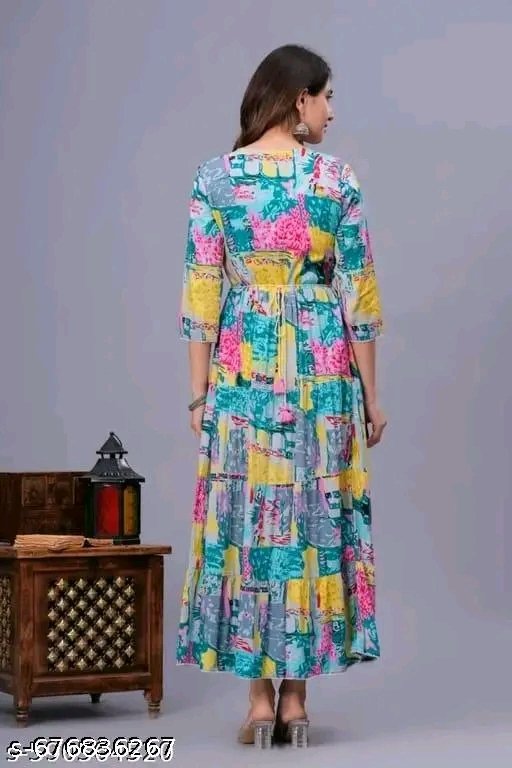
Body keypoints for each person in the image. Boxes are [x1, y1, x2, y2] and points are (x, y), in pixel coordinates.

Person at [175, 43, 387, 749]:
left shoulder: (215, 178)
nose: (331, 112)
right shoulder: (334, 178)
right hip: (321, 364)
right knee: (309, 517)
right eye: (326, 98)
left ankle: (259, 702)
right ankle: (296, 699)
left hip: (243, 365)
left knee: (248, 517)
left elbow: (202, 290)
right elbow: (358, 294)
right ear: (300, 99)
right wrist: (372, 396)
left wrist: (199, 395)